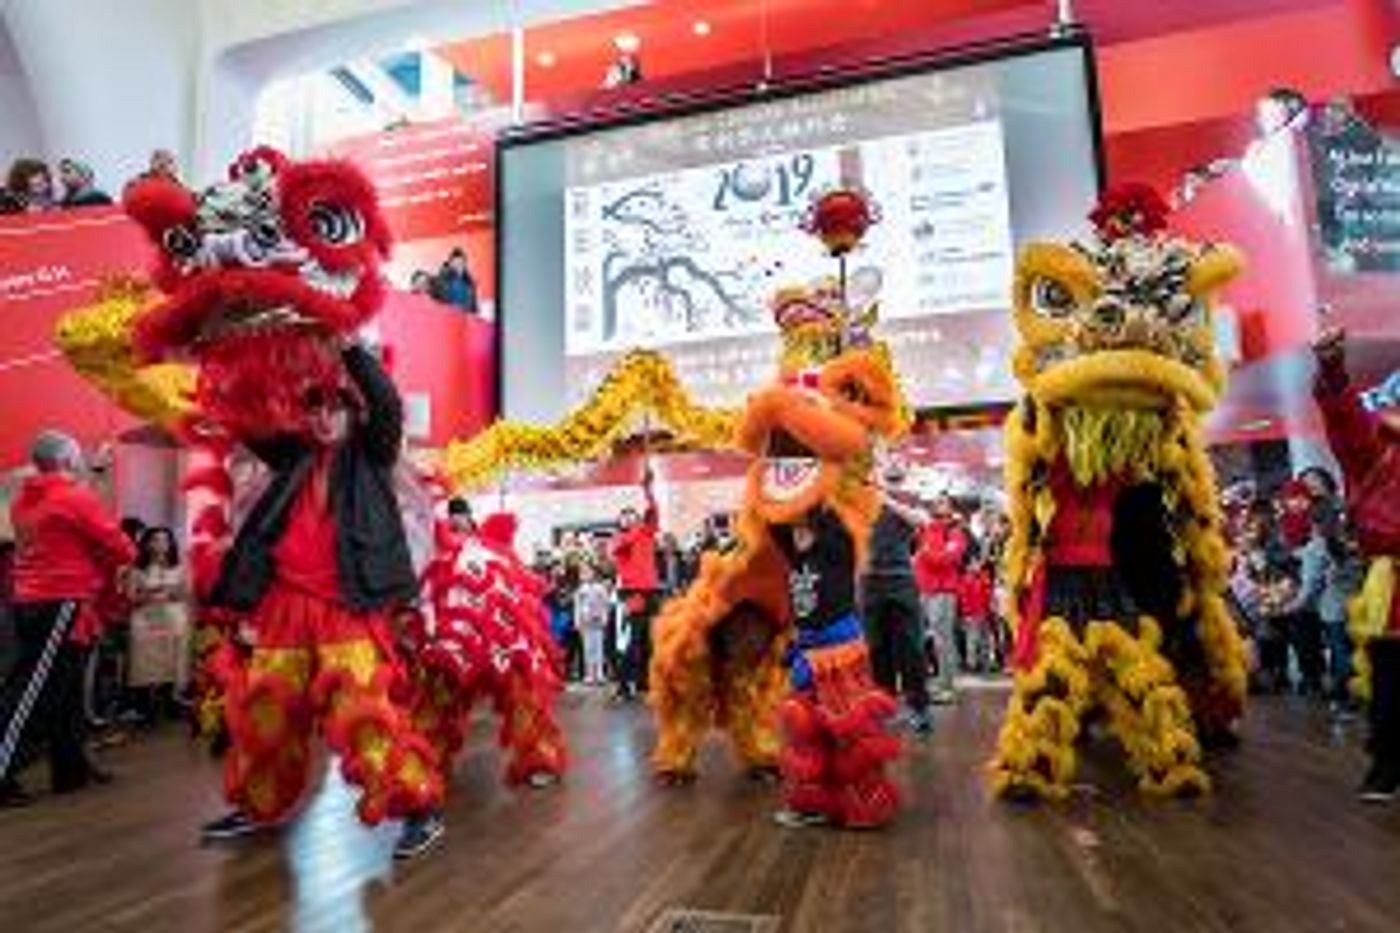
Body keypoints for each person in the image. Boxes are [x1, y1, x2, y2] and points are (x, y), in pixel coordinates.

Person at [198, 340, 442, 846]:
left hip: (346, 606)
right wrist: (228, 361)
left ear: (354, 414)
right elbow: (249, 419)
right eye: (316, 408)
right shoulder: (293, 458)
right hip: (284, 607)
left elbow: (387, 404)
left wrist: (349, 348)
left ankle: (418, 807)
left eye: (335, 407)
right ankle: (256, 803)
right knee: (267, 713)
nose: (325, 418)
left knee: (364, 716)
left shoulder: (373, 453)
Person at [0, 431, 135, 807]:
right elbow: (122, 546)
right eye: (76, 456)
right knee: (32, 692)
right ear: (67, 461)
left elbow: (71, 528)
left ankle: (70, 769)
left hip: (32, 600)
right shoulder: (74, 498)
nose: (80, 461)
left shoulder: (25, 499)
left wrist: (94, 481)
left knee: (65, 690)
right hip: (59, 602)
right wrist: (96, 484)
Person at [769, 506, 900, 829]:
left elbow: (826, 512)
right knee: (803, 730)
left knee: (850, 734)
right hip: (807, 652)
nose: (796, 534)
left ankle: (865, 807)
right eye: (793, 530)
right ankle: (814, 806)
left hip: (840, 654)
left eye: (802, 528)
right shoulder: (793, 552)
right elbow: (773, 520)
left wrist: (815, 495)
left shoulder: (836, 544)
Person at [1312, 328, 1400, 801]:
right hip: (1395, 586)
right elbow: (1347, 426)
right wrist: (1332, 371)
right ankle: (1387, 764)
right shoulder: (1380, 449)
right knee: (1391, 681)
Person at [859, 462, 933, 734]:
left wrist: (887, 499)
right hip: (870, 582)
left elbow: (922, 520)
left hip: (902, 580)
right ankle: (884, 707)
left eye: (897, 474)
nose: (892, 477)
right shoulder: (864, 502)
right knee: (877, 649)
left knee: (911, 648)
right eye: (888, 473)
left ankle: (919, 708)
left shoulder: (909, 499)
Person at [125, 526, 191, 721]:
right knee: (143, 662)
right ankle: (144, 706)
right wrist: (153, 593)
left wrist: (165, 592)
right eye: (155, 540)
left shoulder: (180, 567)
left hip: (172, 618)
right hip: (145, 619)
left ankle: (170, 701)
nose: (160, 544)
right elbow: (131, 597)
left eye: (165, 540)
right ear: (146, 544)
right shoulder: (137, 569)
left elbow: (184, 593)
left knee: (171, 659)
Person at [610, 465, 660, 701]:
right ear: (620, 521)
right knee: (631, 640)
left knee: (650, 640)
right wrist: (638, 527)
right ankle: (622, 685)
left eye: (633, 513)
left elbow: (653, 509)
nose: (630, 516)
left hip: (651, 591)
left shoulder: (646, 532)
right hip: (632, 593)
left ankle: (645, 684)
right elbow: (622, 546)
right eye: (625, 515)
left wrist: (648, 489)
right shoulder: (619, 540)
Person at [915, 494, 968, 704]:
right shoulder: (927, 530)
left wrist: (926, 553)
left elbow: (946, 559)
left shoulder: (955, 532)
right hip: (926, 591)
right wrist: (927, 553)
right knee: (936, 640)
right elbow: (927, 557)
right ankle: (941, 683)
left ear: (952, 507)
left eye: (943, 502)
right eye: (936, 501)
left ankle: (948, 688)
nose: (937, 504)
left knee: (943, 639)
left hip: (944, 592)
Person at [574, 563, 611, 686]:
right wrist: (577, 621)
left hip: (598, 621)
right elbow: (577, 607)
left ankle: (600, 673)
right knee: (587, 648)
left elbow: (605, 604)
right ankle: (589, 674)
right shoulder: (580, 590)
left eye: (588, 572)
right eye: (583, 573)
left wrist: (604, 618)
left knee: (599, 648)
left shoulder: (600, 588)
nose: (586, 575)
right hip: (585, 621)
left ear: (594, 573)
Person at [435, 247, 479, 313]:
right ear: (451, 264)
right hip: (449, 316)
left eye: (461, 263)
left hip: (466, 316)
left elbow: (473, 305)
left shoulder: (469, 282)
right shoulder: (444, 279)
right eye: (455, 263)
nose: (458, 265)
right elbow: (439, 300)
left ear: (465, 264)